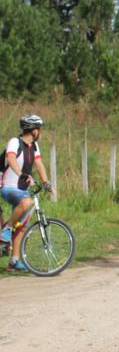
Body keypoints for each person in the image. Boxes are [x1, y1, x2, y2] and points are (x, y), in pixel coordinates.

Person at [0, 115, 54, 271]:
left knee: (22, 225)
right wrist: (21, 174)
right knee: (27, 202)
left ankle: (14, 261)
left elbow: (39, 164)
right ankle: (6, 230)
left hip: (21, 189)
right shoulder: (15, 142)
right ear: (33, 130)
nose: (39, 132)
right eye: (39, 129)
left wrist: (46, 183)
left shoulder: (34, 146)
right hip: (7, 186)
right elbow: (11, 158)